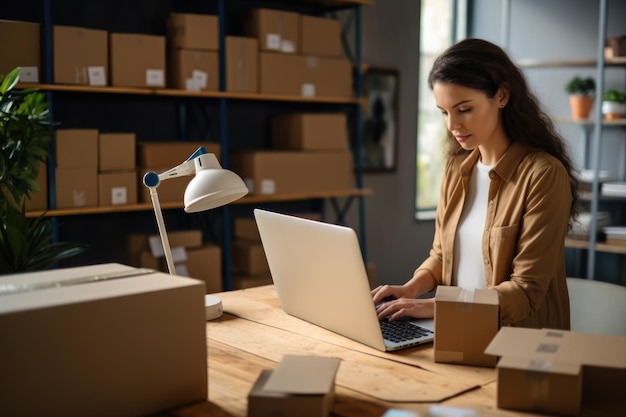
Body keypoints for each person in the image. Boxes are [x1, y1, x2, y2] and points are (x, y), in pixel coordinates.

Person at [371, 38, 580, 330]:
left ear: (502, 96)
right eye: (444, 112)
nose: (452, 125)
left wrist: (432, 306)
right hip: (458, 330)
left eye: (464, 109)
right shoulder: (457, 169)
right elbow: (442, 256)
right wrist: (411, 289)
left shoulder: (543, 174)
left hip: (519, 344)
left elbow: (525, 292)